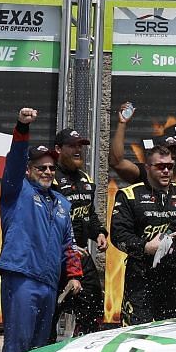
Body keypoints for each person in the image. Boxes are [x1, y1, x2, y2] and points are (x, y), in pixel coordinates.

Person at [0, 111, 81, 352]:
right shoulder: (16, 191)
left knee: (40, 350)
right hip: (22, 277)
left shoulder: (62, 203)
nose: (47, 171)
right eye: (40, 167)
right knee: (18, 347)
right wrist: (22, 127)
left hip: (49, 283)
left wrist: (74, 275)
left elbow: (69, 244)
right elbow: (14, 160)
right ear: (28, 170)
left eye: (51, 167)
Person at [110, 137, 176, 322]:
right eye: (160, 167)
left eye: (169, 166)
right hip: (142, 278)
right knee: (135, 334)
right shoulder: (129, 195)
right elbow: (118, 234)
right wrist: (144, 246)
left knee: (173, 335)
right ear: (147, 168)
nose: (166, 171)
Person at [48, 125, 108, 338]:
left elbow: (88, 215)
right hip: (57, 258)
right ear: (57, 149)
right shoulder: (50, 179)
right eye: (72, 146)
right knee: (52, 312)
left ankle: (86, 347)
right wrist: (68, 246)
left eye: (80, 146)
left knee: (93, 308)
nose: (78, 150)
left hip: (82, 257)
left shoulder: (86, 179)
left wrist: (100, 232)